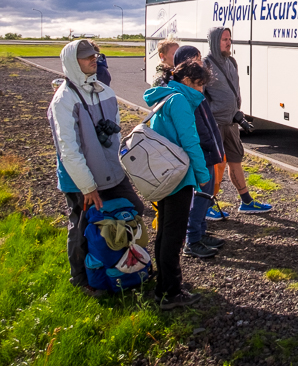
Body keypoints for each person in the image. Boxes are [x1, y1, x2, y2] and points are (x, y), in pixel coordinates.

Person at [47, 39, 144, 297]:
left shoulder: (105, 91)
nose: (94, 59)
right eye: (87, 56)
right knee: (82, 227)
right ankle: (82, 279)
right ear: (71, 62)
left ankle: (121, 266)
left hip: (111, 171)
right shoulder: (63, 100)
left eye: (94, 55)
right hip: (80, 181)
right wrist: (87, 186)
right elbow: (69, 150)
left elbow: (115, 128)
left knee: (134, 210)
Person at [142, 60, 212, 309]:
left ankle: (164, 283)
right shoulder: (180, 101)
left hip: (162, 173)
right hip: (178, 176)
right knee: (174, 234)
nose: (202, 91)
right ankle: (170, 292)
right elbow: (190, 141)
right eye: (199, 85)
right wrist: (203, 175)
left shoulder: (165, 97)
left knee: (164, 230)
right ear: (187, 82)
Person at [203, 27, 272, 217]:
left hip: (231, 122)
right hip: (214, 124)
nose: (228, 42)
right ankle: (206, 204)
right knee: (213, 165)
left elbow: (233, 92)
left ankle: (247, 202)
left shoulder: (231, 62)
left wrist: (237, 114)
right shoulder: (205, 65)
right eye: (224, 39)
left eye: (229, 39)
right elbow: (201, 98)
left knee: (236, 160)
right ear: (214, 42)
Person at [171, 45, 227, 259]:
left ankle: (201, 233)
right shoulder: (185, 99)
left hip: (207, 153)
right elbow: (192, 135)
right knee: (200, 197)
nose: (201, 63)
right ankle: (192, 240)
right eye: (195, 61)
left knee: (206, 196)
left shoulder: (196, 95)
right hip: (200, 156)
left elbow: (208, 126)